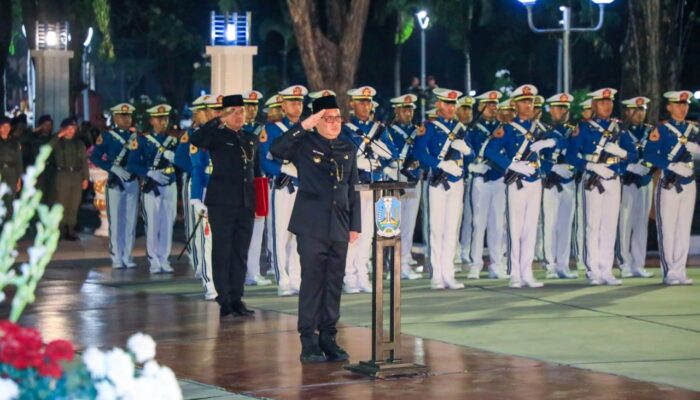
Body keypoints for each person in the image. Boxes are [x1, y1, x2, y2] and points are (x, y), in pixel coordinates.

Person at [269, 94, 360, 364]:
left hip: (340, 225)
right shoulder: (304, 144)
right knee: (312, 282)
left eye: (337, 119)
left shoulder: (348, 146)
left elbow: (352, 187)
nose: (334, 124)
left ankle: (328, 337)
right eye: (327, 119)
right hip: (311, 225)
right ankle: (308, 339)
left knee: (334, 283)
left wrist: (355, 224)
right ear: (317, 121)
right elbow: (276, 149)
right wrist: (304, 125)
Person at [190, 94, 262, 317]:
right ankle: (224, 299)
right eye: (233, 112)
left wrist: (258, 203)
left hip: (245, 202)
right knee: (222, 251)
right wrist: (217, 120)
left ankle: (237, 297)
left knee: (240, 251)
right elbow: (197, 139)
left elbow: (256, 173)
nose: (239, 116)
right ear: (224, 114)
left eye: (241, 111)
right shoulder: (216, 137)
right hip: (222, 202)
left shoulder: (250, 138)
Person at [566, 88, 638, 286]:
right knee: (593, 225)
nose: (607, 106)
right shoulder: (583, 128)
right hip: (593, 179)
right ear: (594, 106)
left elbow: (634, 155)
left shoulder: (619, 128)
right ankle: (593, 269)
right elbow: (570, 155)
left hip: (613, 178)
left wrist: (621, 153)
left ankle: (607, 269)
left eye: (610, 102)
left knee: (609, 226)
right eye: (603, 103)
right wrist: (590, 165)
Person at [485, 84, 553, 288]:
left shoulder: (540, 129)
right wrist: (511, 165)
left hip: (535, 180)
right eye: (524, 101)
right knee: (515, 228)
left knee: (531, 228)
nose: (528, 105)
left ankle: (527, 271)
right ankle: (514, 272)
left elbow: (560, 143)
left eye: (531, 101)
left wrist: (548, 150)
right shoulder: (507, 129)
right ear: (515, 104)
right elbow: (490, 151)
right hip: (518, 181)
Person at [413, 88, 473, 290]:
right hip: (438, 182)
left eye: (453, 104)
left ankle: (449, 273)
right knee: (437, 230)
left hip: (457, 182)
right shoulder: (429, 127)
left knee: (452, 230)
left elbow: (471, 155)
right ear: (438, 105)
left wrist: (467, 150)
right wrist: (438, 165)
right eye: (447, 104)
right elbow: (418, 152)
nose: (451, 108)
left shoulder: (459, 127)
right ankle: (437, 275)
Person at [341, 86, 398, 294]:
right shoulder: (346, 129)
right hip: (355, 186)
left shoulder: (379, 129)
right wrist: (359, 161)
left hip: (375, 185)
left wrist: (380, 151)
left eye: (368, 102)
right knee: (353, 233)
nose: (365, 106)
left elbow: (393, 154)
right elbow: (344, 155)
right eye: (361, 102)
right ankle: (349, 275)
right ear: (352, 104)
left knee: (370, 235)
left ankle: (363, 273)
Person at [643, 90, 698, 285]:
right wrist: (671, 165)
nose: (682, 108)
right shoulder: (662, 130)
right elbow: (649, 154)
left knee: (683, 228)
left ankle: (680, 270)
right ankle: (669, 272)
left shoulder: (694, 130)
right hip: (669, 182)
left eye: (685, 105)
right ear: (669, 107)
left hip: (688, 182)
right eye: (678, 105)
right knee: (667, 229)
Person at [260, 85, 308, 296]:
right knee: (281, 234)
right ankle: (283, 279)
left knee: (300, 235)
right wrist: (282, 169)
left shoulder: (308, 128)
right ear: (283, 105)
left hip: (303, 187)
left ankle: (296, 277)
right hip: (282, 186)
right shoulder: (271, 130)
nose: (296, 106)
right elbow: (263, 161)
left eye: (299, 102)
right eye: (292, 102)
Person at [127, 104, 179, 274]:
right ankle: (153, 259)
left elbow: (183, 160)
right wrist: (149, 172)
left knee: (167, 223)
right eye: (159, 119)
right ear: (151, 120)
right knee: (153, 223)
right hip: (152, 185)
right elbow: (132, 163)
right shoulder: (142, 140)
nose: (163, 122)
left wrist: (175, 157)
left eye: (165, 118)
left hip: (169, 182)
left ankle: (164, 258)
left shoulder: (173, 140)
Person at [465, 90, 509, 280]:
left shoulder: (504, 129)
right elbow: (466, 152)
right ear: (480, 107)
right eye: (488, 105)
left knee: (497, 224)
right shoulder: (474, 130)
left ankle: (496, 264)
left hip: (498, 178)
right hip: (480, 180)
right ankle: (475, 264)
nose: (492, 108)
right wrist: (472, 165)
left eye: (494, 105)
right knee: (478, 223)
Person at [91, 103, 140, 268]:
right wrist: (112, 168)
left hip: (132, 180)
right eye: (122, 116)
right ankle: (116, 256)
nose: (127, 119)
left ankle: (127, 254)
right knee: (116, 221)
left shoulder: (136, 137)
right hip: (115, 181)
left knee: (130, 221)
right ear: (115, 118)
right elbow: (95, 157)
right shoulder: (107, 136)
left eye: (129, 116)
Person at [540, 93, 579, 280]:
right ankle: (550, 265)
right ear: (551, 110)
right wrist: (553, 167)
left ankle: (563, 265)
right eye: (559, 108)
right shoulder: (544, 132)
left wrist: (571, 168)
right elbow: (538, 158)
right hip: (551, 182)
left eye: (565, 108)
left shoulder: (574, 131)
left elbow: (579, 152)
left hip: (568, 181)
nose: (563, 112)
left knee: (565, 226)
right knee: (551, 225)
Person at [617, 96, 655, 279]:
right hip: (627, 181)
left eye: (642, 110)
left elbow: (657, 153)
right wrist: (628, 167)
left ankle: (638, 264)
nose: (639, 114)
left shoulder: (650, 131)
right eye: (635, 110)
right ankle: (624, 263)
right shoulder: (620, 133)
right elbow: (613, 157)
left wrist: (649, 167)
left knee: (641, 224)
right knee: (625, 223)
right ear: (627, 111)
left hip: (646, 181)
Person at [386, 93, 422, 280]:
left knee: (409, 223)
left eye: (410, 109)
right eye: (404, 109)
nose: (407, 113)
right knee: (392, 223)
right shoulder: (389, 131)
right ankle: (392, 263)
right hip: (395, 177)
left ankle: (405, 262)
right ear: (396, 110)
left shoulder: (418, 131)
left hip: (413, 179)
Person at [174, 95, 209, 274]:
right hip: (193, 180)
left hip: (210, 182)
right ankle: (197, 262)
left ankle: (208, 263)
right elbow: (179, 158)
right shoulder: (191, 135)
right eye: (205, 110)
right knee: (194, 224)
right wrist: (198, 169)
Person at [242, 90, 273, 287]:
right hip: (242, 182)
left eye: (254, 105)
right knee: (242, 229)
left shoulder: (262, 129)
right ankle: (243, 271)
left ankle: (253, 271)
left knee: (257, 229)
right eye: (248, 105)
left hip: (260, 181)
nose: (252, 109)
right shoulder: (236, 130)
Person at [51, 118, 89, 241]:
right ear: (63, 129)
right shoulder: (57, 142)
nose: (71, 131)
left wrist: (86, 178)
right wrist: (59, 135)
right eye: (69, 128)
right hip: (62, 174)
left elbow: (84, 162)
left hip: (76, 175)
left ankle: (70, 230)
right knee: (61, 203)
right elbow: (47, 148)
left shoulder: (79, 143)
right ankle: (59, 230)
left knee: (74, 203)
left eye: (73, 129)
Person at [455, 95, 475, 269]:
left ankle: (464, 251)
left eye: (470, 109)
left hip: (468, 177)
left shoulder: (467, 131)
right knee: (454, 218)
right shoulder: (455, 130)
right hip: (451, 178)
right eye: (464, 108)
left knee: (468, 218)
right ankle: (454, 251)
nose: (468, 112)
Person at [22, 114, 55, 205]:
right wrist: (35, 130)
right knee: (38, 197)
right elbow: (21, 140)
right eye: (45, 125)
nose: (48, 127)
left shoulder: (52, 138)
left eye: (50, 125)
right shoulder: (33, 137)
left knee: (49, 197)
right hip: (37, 171)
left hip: (50, 171)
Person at [0, 117, 22, 217]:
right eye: (3, 126)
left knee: (10, 201)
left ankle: (8, 227)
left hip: (11, 174)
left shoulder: (15, 142)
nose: (5, 129)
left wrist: (19, 179)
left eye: (8, 126)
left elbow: (19, 161)